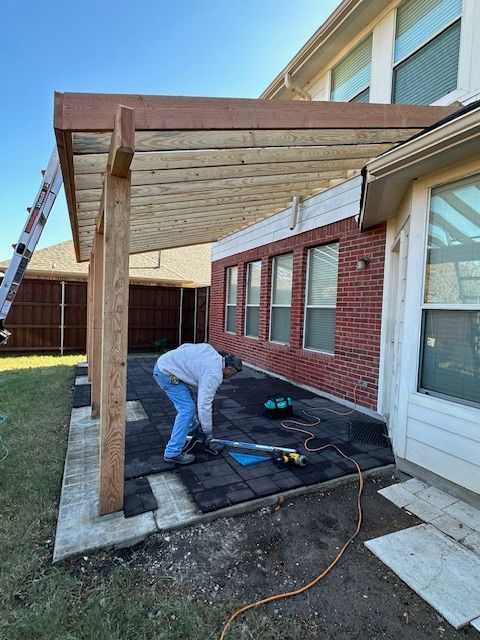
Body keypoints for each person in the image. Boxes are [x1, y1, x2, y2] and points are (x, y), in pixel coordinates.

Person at [153, 343, 242, 465]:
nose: (231, 377)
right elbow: (204, 405)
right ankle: (172, 453)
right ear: (228, 369)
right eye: (233, 374)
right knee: (187, 410)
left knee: (190, 399)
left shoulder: (211, 351)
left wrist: (180, 364)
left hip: (167, 364)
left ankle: (191, 427)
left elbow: (185, 346)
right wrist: (208, 432)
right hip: (166, 373)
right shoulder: (213, 374)